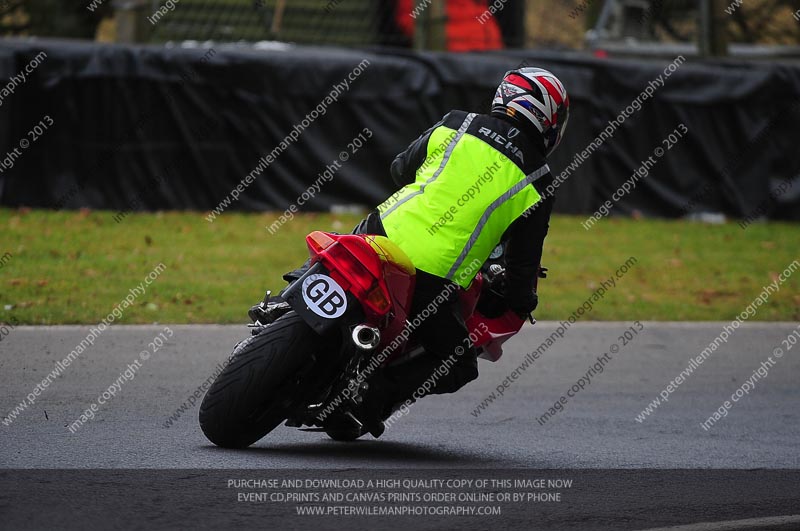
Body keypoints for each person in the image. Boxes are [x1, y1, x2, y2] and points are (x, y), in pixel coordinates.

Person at [254, 67, 569, 436]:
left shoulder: (458, 122)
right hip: (431, 279)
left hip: (381, 230)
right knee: (459, 364)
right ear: (549, 118)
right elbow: (522, 266)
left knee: (341, 250)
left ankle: (283, 302)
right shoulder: (539, 180)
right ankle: (364, 400)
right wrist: (520, 302)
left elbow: (401, 168)